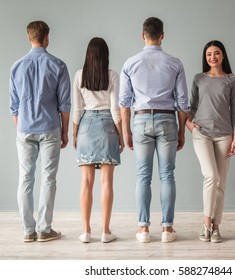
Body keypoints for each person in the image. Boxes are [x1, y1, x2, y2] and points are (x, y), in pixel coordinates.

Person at [119, 17, 189, 243]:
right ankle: (167, 229)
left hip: (140, 120)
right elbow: (183, 102)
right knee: (167, 175)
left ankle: (143, 229)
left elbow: (124, 102)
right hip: (168, 120)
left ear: (143, 35)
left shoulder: (130, 64)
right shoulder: (175, 63)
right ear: (162, 35)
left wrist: (127, 132)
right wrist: (181, 132)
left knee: (143, 176)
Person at [9, 21, 71, 242]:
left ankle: (28, 231)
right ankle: (45, 229)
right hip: (50, 128)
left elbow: (14, 107)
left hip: (24, 128)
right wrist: (65, 132)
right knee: (48, 179)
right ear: (47, 38)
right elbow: (64, 105)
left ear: (29, 38)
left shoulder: (16, 67)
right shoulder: (58, 66)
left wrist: (22, 128)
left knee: (25, 179)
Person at [186, 40, 235, 243]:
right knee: (211, 176)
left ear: (223, 55)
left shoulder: (232, 80)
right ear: (205, 57)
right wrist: (189, 126)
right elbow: (191, 106)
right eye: (209, 54)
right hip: (202, 134)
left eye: (216, 53)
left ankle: (216, 228)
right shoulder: (199, 78)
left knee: (221, 183)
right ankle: (206, 224)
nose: (213, 57)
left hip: (224, 135)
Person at [72, 37, 124, 243]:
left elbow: (76, 110)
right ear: (106, 55)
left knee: (85, 182)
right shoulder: (112, 75)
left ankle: (86, 231)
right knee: (106, 182)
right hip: (107, 126)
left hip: (85, 125)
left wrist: (75, 134)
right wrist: (121, 134)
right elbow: (115, 109)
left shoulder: (78, 75)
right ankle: (105, 231)